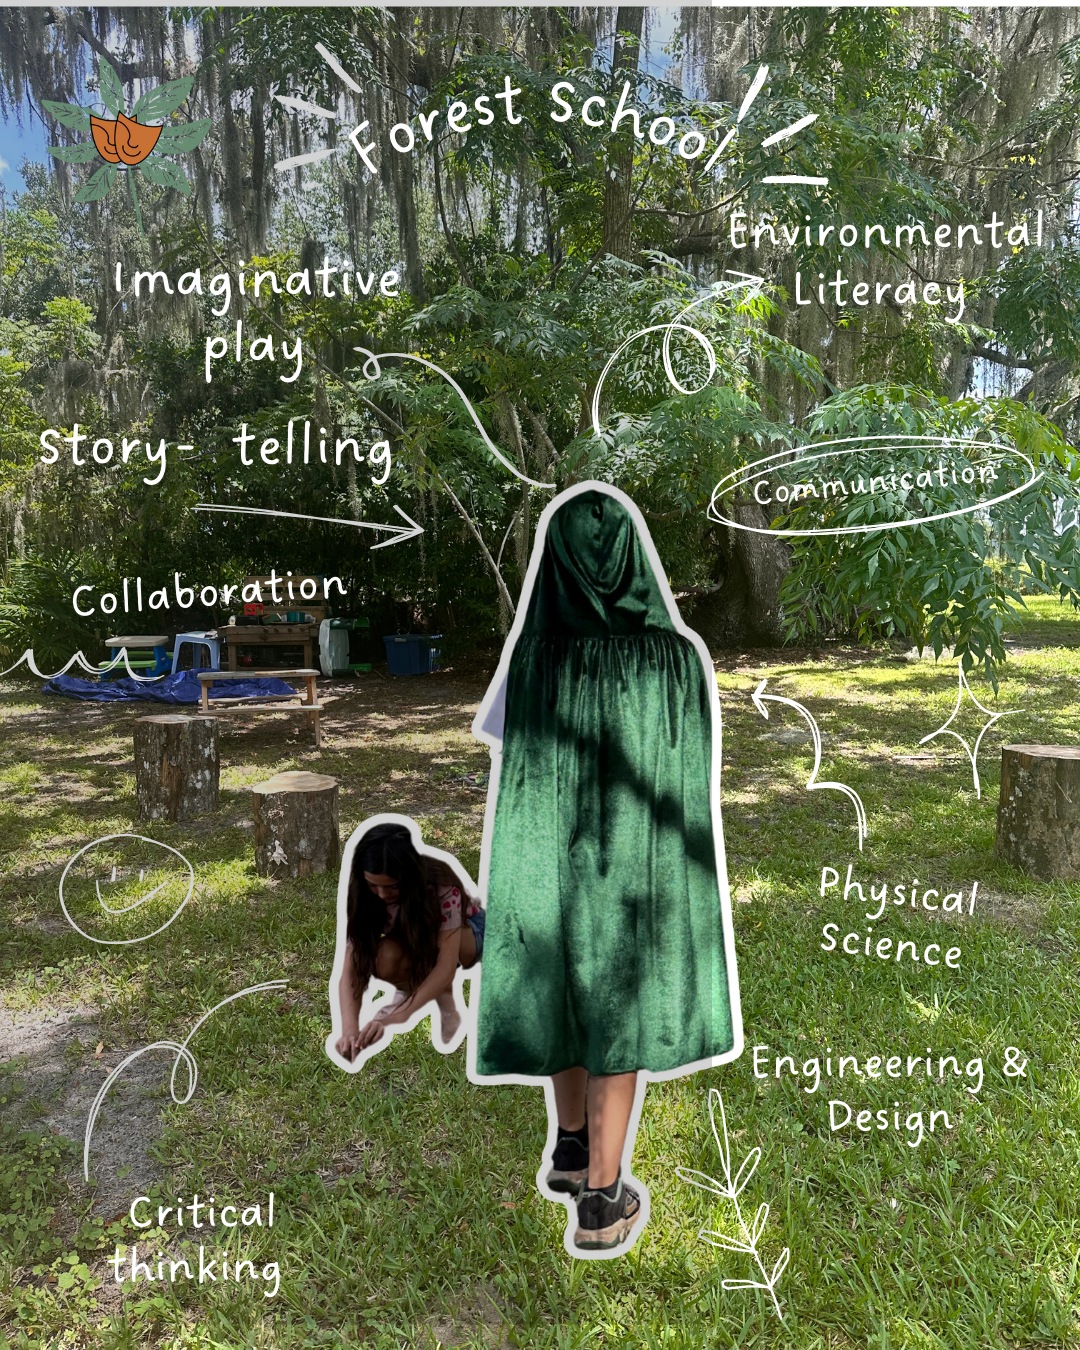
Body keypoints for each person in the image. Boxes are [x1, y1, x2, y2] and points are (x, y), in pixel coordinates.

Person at [471, 483, 741, 1254]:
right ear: (634, 560)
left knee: (558, 981)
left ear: (552, 562)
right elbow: (687, 771)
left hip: (549, 860)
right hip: (632, 867)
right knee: (619, 999)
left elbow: (507, 745)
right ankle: (599, 1194)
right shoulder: (676, 660)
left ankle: (569, 1145)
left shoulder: (534, 656)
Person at [334, 821, 484, 1061]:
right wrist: (349, 1030)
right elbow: (351, 964)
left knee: (442, 949)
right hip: (414, 939)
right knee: (382, 958)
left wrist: (398, 1016)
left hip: (468, 935)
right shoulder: (362, 894)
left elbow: (446, 965)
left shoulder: (441, 886)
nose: (382, 894)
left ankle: (444, 999)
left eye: (393, 886)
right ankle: (412, 987)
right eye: (373, 885)